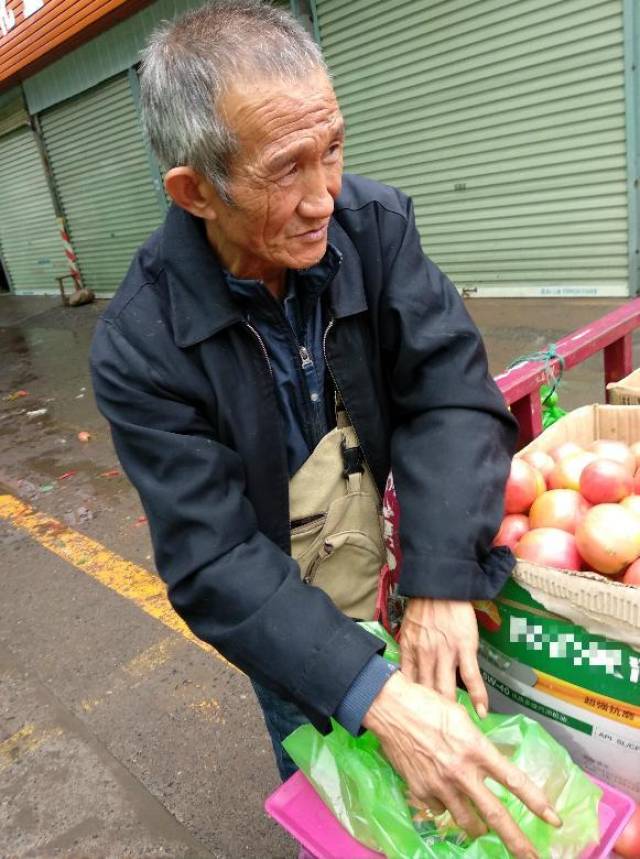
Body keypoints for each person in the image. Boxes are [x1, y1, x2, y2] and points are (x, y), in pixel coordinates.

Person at [90, 3, 560, 856]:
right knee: (329, 780)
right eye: (286, 169)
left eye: (333, 147)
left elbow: (448, 394)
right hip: (291, 609)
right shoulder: (139, 346)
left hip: (394, 559)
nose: (324, 196)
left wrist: (443, 577)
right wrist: (367, 690)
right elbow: (214, 557)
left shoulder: (373, 229)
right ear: (196, 191)